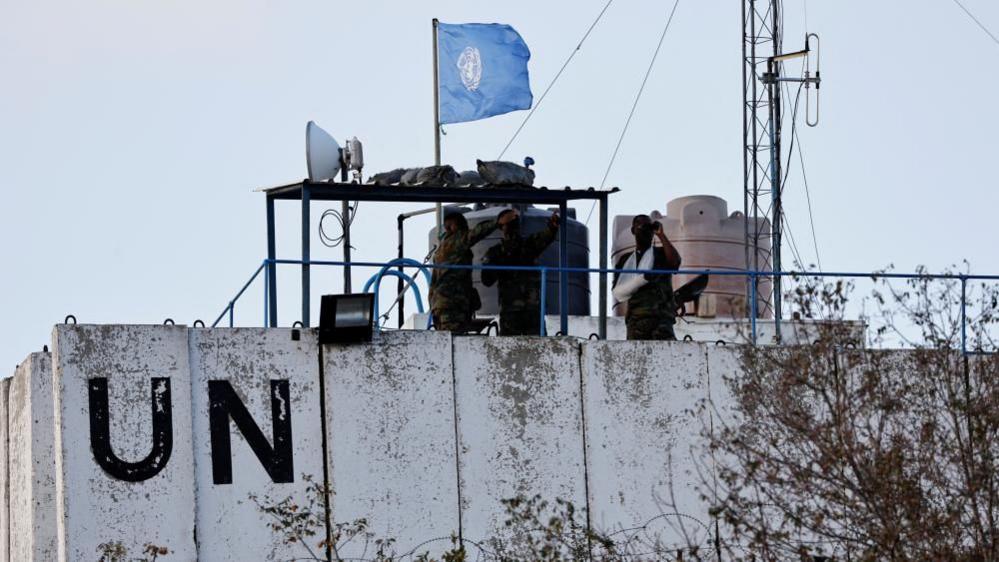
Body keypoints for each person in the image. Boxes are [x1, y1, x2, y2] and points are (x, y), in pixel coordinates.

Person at [429, 210, 518, 332]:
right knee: (454, 341)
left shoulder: (440, 251)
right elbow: (476, 233)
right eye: (462, 226)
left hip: (441, 305)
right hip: (453, 305)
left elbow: (433, 283)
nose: (465, 229)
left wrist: (433, 306)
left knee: (447, 342)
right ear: (451, 227)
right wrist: (497, 222)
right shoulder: (455, 241)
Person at [481, 209, 559, 336]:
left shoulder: (528, 245)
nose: (514, 225)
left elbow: (547, 235)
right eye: (510, 222)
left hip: (531, 309)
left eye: (515, 221)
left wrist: (553, 226)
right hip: (511, 310)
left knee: (538, 348)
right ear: (502, 227)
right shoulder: (496, 252)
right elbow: (487, 280)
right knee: (511, 349)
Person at [612, 215, 682, 340]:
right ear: (633, 231)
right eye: (642, 227)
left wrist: (661, 235)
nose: (646, 231)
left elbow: (675, 263)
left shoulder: (661, 254)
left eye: (649, 227)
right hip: (637, 320)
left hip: (662, 319)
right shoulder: (625, 260)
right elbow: (618, 292)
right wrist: (642, 279)